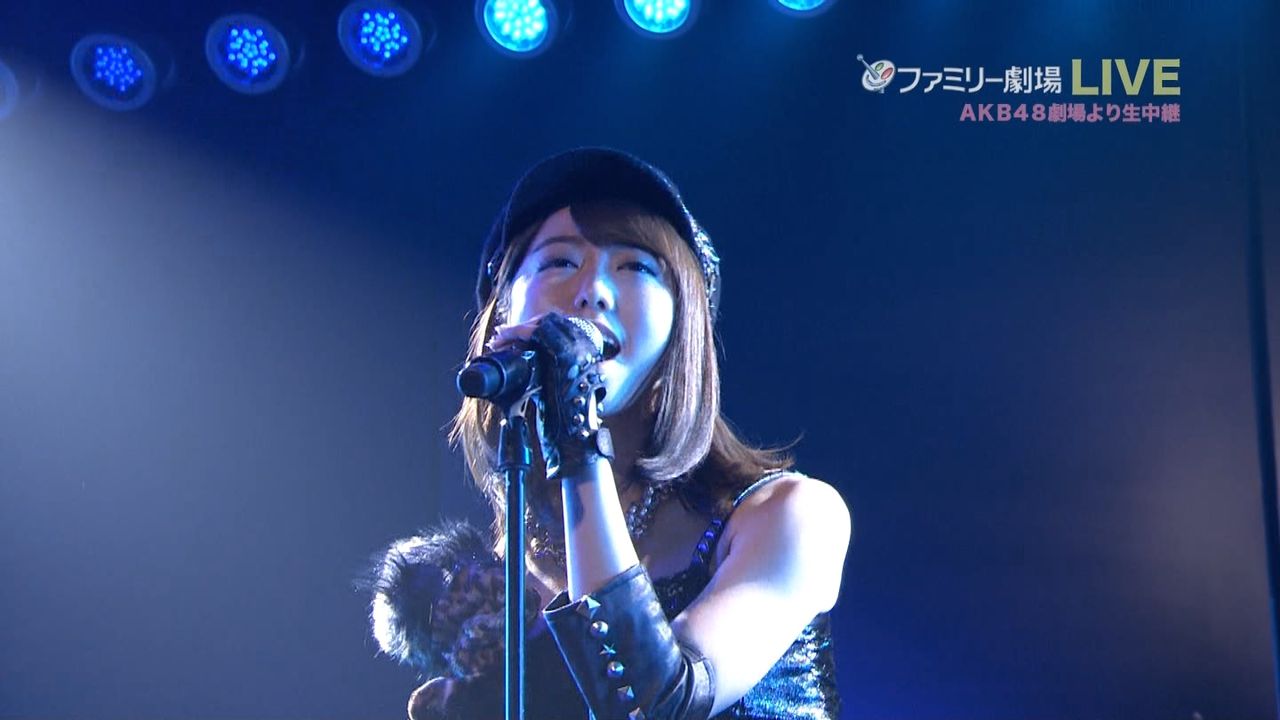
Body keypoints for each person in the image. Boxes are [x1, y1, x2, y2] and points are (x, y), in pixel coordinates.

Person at [368, 147, 852, 720]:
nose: (593, 290)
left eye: (636, 266)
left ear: (683, 324)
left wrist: (577, 437)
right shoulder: (507, 580)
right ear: (502, 312)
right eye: (558, 261)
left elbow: (663, 703)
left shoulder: (790, 516)